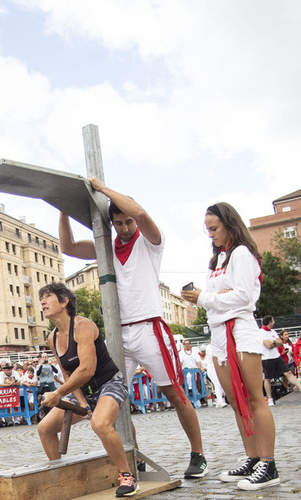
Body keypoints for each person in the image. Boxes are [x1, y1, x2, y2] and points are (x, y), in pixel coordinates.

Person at [58, 179, 207, 479]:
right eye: (118, 223)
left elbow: (139, 214)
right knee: (113, 400)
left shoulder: (150, 242)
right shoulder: (106, 247)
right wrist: (62, 210)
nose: (125, 228)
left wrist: (102, 188)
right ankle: (134, 457)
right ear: (111, 224)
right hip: (117, 333)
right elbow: (68, 246)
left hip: (150, 328)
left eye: (127, 222)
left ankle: (198, 454)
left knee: (174, 394)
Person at [182, 202, 281, 490]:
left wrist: (206, 298)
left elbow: (243, 297)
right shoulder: (219, 260)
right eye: (208, 229)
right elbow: (225, 296)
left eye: (214, 228)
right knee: (236, 400)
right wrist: (210, 297)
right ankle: (253, 457)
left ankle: (269, 463)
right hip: (219, 334)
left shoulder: (241, 253)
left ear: (229, 224)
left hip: (239, 330)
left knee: (253, 398)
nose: (210, 234)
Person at [36, 283, 137, 497]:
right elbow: (67, 373)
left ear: (64, 302)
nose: (42, 302)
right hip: (82, 390)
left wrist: (58, 394)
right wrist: (81, 402)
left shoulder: (84, 326)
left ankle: (128, 476)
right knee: (45, 428)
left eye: (48, 297)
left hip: (109, 383)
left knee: (99, 424)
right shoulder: (51, 337)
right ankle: (61, 479)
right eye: (41, 299)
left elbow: (87, 369)